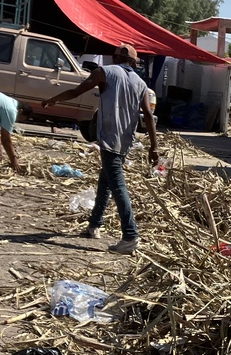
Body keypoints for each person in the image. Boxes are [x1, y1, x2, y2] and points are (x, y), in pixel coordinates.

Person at [42, 42, 156, 255]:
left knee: (118, 186)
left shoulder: (104, 72)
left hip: (109, 138)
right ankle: (95, 224)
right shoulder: (141, 83)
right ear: (133, 62)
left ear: (115, 57)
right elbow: (148, 116)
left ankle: (130, 235)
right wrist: (153, 147)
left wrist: (53, 99)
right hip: (125, 141)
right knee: (105, 182)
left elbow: (77, 91)